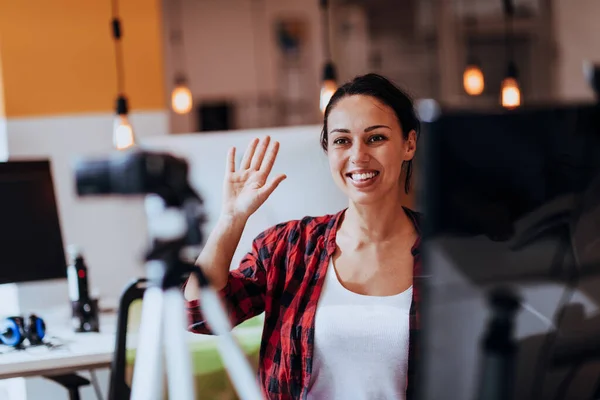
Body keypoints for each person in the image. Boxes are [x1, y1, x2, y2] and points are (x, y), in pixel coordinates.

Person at [183, 73, 422, 400]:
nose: (358, 155)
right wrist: (231, 218)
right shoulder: (289, 246)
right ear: (328, 150)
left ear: (409, 144)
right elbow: (199, 315)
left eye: (375, 138)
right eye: (342, 140)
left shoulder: (449, 251)